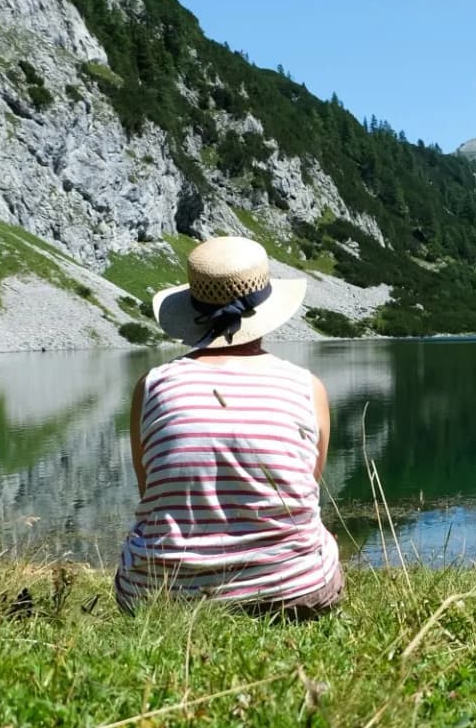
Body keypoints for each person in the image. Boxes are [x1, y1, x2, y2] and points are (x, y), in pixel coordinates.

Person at [114, 236, 343, 617]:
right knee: (324, 540)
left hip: (158, 596)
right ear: (265, 308)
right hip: (294, 592)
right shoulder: (307, 387)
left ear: (191, 309)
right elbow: (305, 490)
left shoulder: (152, 386)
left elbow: (150, 490)